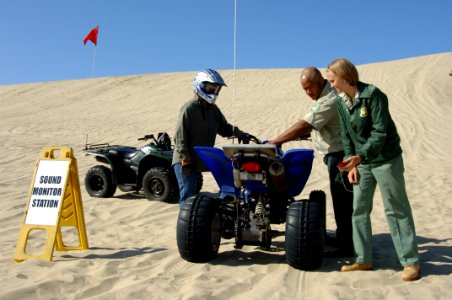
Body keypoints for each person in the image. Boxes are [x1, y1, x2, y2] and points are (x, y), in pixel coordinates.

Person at [326, 58, 420, 281]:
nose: (331, 85)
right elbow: (346, 135)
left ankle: (411, 262)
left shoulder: (373, 95)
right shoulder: (340, 101)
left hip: (386, 159)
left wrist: (361, 156)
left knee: (396, 209)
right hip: (363, 162)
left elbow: (380, 132)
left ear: (346, 76)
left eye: (333, 80)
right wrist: (351, 162)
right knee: (359, 209)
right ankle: (362, 259)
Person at [269, 67, 354, 258]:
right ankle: (343, 238)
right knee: (341, 199)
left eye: (310, 88)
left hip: (340, 156)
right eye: (304, 89)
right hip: (335, 154)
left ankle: (347, 246)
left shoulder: (329, 99)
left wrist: (276, 142)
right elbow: (317, 127)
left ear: (320, 82)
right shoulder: (324, 97)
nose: (308, 93)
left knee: (343, 200)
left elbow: (307, 123)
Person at [172, 69, 246, 205]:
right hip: (185, 161)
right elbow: (179, 136)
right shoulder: (189, 108)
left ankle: (193, 223)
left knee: (194, 195)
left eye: (217, 89)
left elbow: (224, 128)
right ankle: (184, 225)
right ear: (200, 86)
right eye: (211, 88)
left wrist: (240, 133)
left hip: (199, 159)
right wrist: (185, 157)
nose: (214, 92)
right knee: (188, 194)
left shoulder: (214, 110)